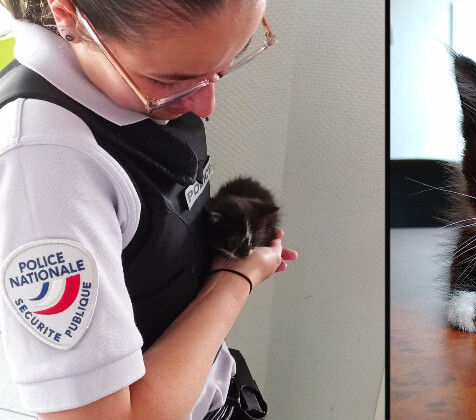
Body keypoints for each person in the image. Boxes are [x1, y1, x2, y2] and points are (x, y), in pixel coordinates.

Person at [0, 0, 297, 418]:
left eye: (227, 62)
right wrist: (236, 279)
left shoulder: (113, 91)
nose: (207, 105)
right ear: (69, 18)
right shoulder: (43, 164)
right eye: (171, 80)